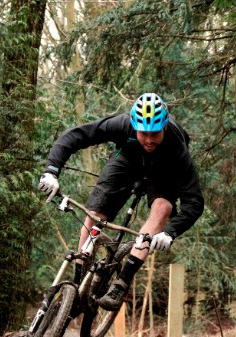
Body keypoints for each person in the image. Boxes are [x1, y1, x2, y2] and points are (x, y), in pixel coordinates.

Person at [37, 93, 205, 311]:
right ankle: (77, 284)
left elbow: (194, 202)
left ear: (164, 127)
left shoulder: (177, 147)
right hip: (128, 159)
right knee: (94, 215)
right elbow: (75, 136)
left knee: (163, 207)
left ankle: (121, 284)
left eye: (155, 134)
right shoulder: (122, 124)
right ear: (134, 125)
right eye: (144, 133)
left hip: (165, 170)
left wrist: (170, 232)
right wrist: (51, 171)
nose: (149, 140)